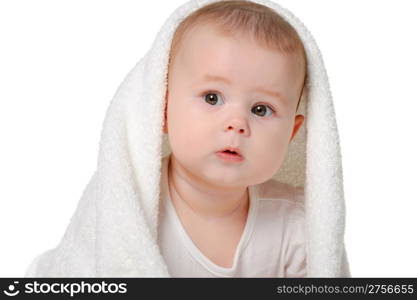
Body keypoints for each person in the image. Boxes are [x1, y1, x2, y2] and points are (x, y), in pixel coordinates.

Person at [25, 0, 350, 277]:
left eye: (261, 109)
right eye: (212, 98)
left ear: (292, 134)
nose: (237, 124)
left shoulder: (298, 226)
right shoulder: (127, 205)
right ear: (162, 112)